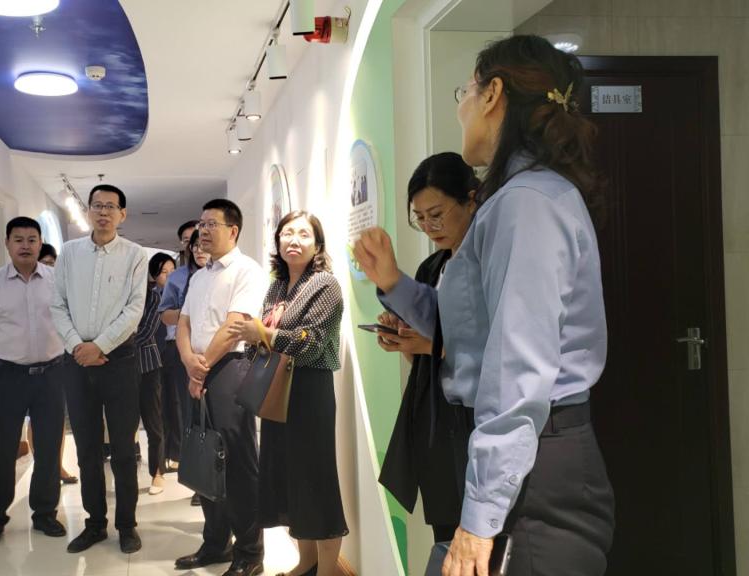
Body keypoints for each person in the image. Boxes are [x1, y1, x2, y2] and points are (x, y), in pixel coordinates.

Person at [360, 35, 616, 575]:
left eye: (467, 92)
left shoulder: (526, 203)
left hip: (535, 464)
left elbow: (517, 370)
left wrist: (479, 519)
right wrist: (393, 282)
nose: (462, 108)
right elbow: (468, 323)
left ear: (494, 94)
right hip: (520, 454)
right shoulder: (517, 198)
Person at [357, 153, 480, 545]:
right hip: (434, 419)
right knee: (445, 529)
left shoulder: (485, 263)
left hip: (474, 417)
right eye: (420, 217)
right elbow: (421, 358)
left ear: (471, 200)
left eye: (437, 214)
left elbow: (486, 347)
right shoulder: (432, 267)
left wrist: (430, 343)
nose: (429, 227)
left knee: (476, 531)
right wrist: (402, 338)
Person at [227, 211, 348, 576]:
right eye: (287, 233)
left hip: (310, 390)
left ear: (318, 244)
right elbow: (264, 334)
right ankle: (306, 563)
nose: (294, 240)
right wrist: (257, 337)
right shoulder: (278, 285)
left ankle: (328, 571)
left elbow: (310, 344)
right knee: (290, 479)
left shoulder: (325, 285)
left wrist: (262, 335)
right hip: (277, 388)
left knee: (315, 480)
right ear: (278, 241)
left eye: (303, 234)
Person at [51, 184, 149, 555]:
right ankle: (94, 524)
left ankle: (127, 525)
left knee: (123, 449)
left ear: (123, 214)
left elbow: (134, 310)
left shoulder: (135, 255)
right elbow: (57, 304)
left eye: (110, 206)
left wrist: (100, 346)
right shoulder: (69, 252)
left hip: (119, 360)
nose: (103, 212)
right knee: (87, 449)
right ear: (88, 211)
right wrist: (78, 346)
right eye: (96, 205)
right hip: (77, 361)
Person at [174, 199, 267, 576]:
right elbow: (183, 323)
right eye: (202, 224)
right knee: (204, 459)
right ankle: (216, 543)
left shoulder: (247, 271)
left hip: (230, 370)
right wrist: (188, 361)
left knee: (238, 463)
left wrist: (200, 369)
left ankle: (250, 553)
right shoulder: (199, 275)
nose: (204, 230)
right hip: (198, 369)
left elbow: (233, 328)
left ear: (233, 230)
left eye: (212, 224)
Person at [0, 216, 67, 546]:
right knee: (3, 447)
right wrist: (3, 350)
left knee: (49, 446)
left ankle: (45, 513)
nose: (25, 245)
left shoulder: (57, 280)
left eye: (31, 239)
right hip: (9, 376)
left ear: (40, 243)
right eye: (18, 239)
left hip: (51, 374)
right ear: (7, 244)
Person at [160, 228, 210, 506]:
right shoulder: (178, 278)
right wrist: (190, 312)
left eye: (204, 243)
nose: (200, 250)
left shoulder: (225, 275)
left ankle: (223, 478)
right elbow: (165, 315)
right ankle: (200, 483)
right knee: (190, 417)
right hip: (182, 353)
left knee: (218, 418)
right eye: (195, 245)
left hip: (218, 355)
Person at [27, 242, 77, 485]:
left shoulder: (61, 287)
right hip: (30, 364)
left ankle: (57, 466)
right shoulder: (25, 289)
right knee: (35, 421)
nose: (49, 267)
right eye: (45, 263)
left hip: (59, 360)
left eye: (52, 263)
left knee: (58, 420)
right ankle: (42, 467)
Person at [136, 252, 176, 495]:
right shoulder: (118, 297)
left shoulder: (153, 297)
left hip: (147, 365)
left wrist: (111, 343)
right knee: (124, 425)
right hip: (120, 367)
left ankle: (157, 472)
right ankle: (127, 476)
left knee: (153, 422)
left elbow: (147, 330)